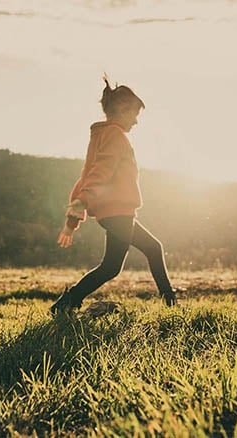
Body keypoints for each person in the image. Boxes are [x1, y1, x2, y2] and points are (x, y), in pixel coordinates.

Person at [50, 77, 178, 315]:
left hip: (117, 212)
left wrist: (73, 219)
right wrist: (82, 202)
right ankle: (65, 304)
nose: (137, 121)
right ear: (122, 110)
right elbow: (100, 172)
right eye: (135, 114)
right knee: (111, 267)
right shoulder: (115, 137)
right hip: (118, 211)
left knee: (152, 248)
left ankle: (171, 303)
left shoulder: (102, 136)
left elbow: (87, 174)